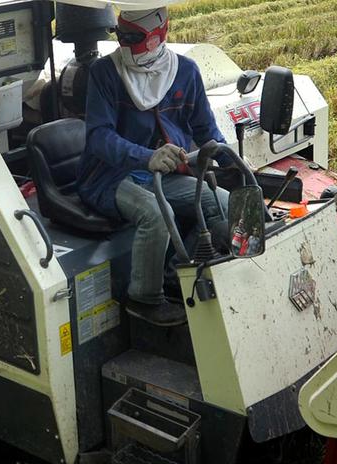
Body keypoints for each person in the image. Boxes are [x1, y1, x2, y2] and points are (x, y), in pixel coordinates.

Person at [75, 6, 230, 327]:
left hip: (165, 174)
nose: (124, 44)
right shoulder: (105, 73)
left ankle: (178, 275)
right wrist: (145, 157)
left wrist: (234, 163)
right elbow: (99, 138)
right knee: (157, 213)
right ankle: (144, 300)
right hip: (110, 176)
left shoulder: (185, 72)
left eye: (133, 37)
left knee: (223, 202)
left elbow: (207, 131)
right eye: (120, 35)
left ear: (158, 35)